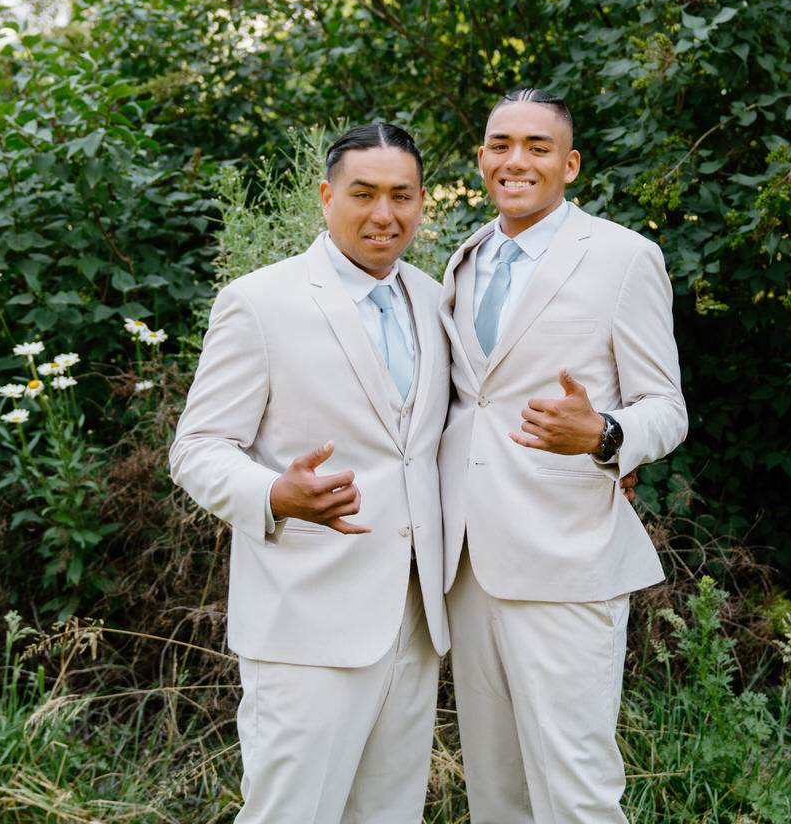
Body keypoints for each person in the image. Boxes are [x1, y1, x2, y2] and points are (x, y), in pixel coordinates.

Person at [169, 123, 450, 823]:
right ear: (326, 197)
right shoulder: (259, 303)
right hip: (306, 623)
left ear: (422, 203)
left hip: (416, 622)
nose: (384, 214)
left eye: (402, 196)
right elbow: (197, 447)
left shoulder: (436, 298)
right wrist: (273, 493)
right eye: (363, 194)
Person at [438, 88, 689, 823]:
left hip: (567, 560)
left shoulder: (623, 258)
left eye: (537, 147)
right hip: (468, 564)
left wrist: (606, 436)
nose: (515, 160)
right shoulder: (464, 258)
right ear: (482, 157)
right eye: (500, 144)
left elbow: (666, 410)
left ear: (569, 164)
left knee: (576, 793)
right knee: (497, 795)